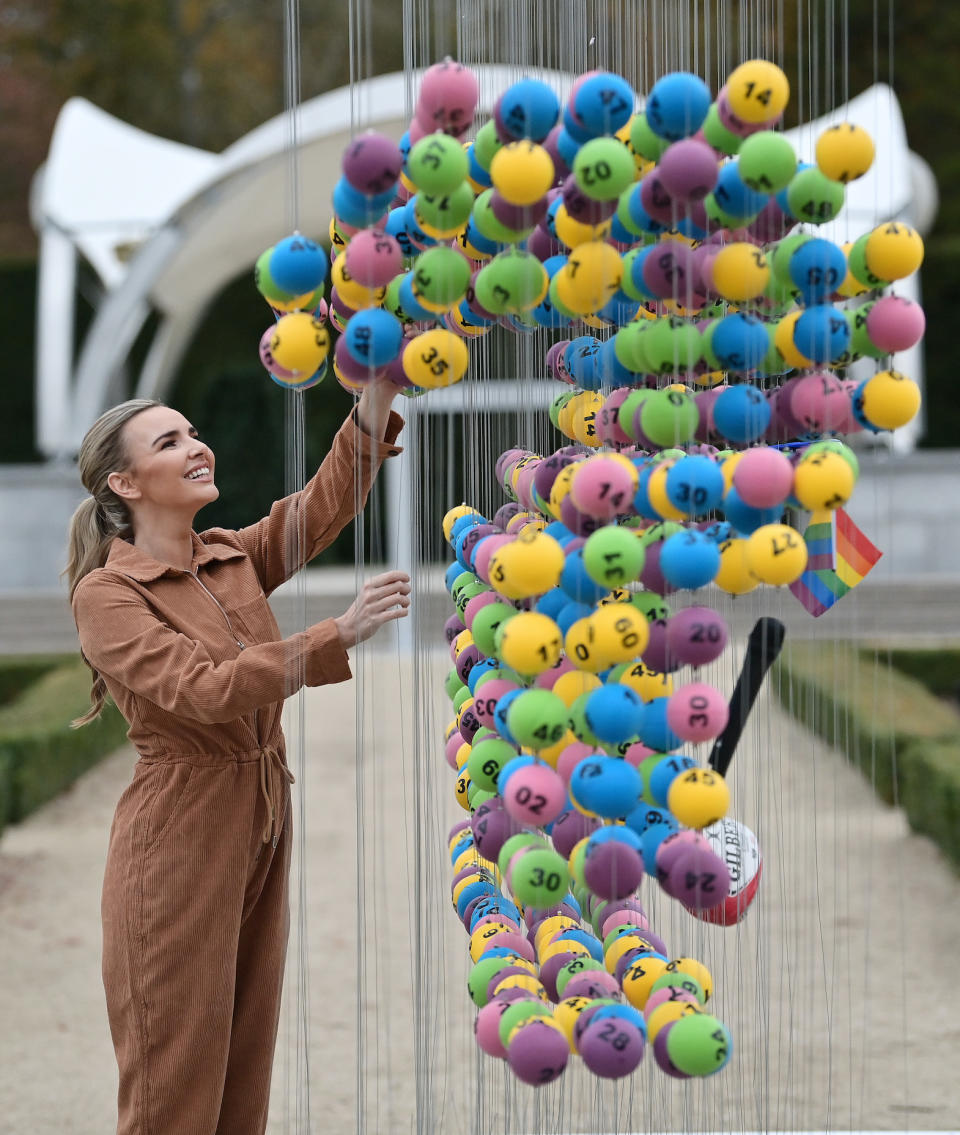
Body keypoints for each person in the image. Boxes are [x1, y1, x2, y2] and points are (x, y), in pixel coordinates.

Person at [66, 375, 410, 1135]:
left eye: (192, 432)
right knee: (175, 1091)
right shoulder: (107, 596)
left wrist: (375, 401)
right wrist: (331, 637)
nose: (196, 447)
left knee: (241, 1076)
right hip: (178, 836)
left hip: (259, 812)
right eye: (170, 441)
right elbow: (203, 688)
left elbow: (322, 507)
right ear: (125, 483)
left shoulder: (228, 558)